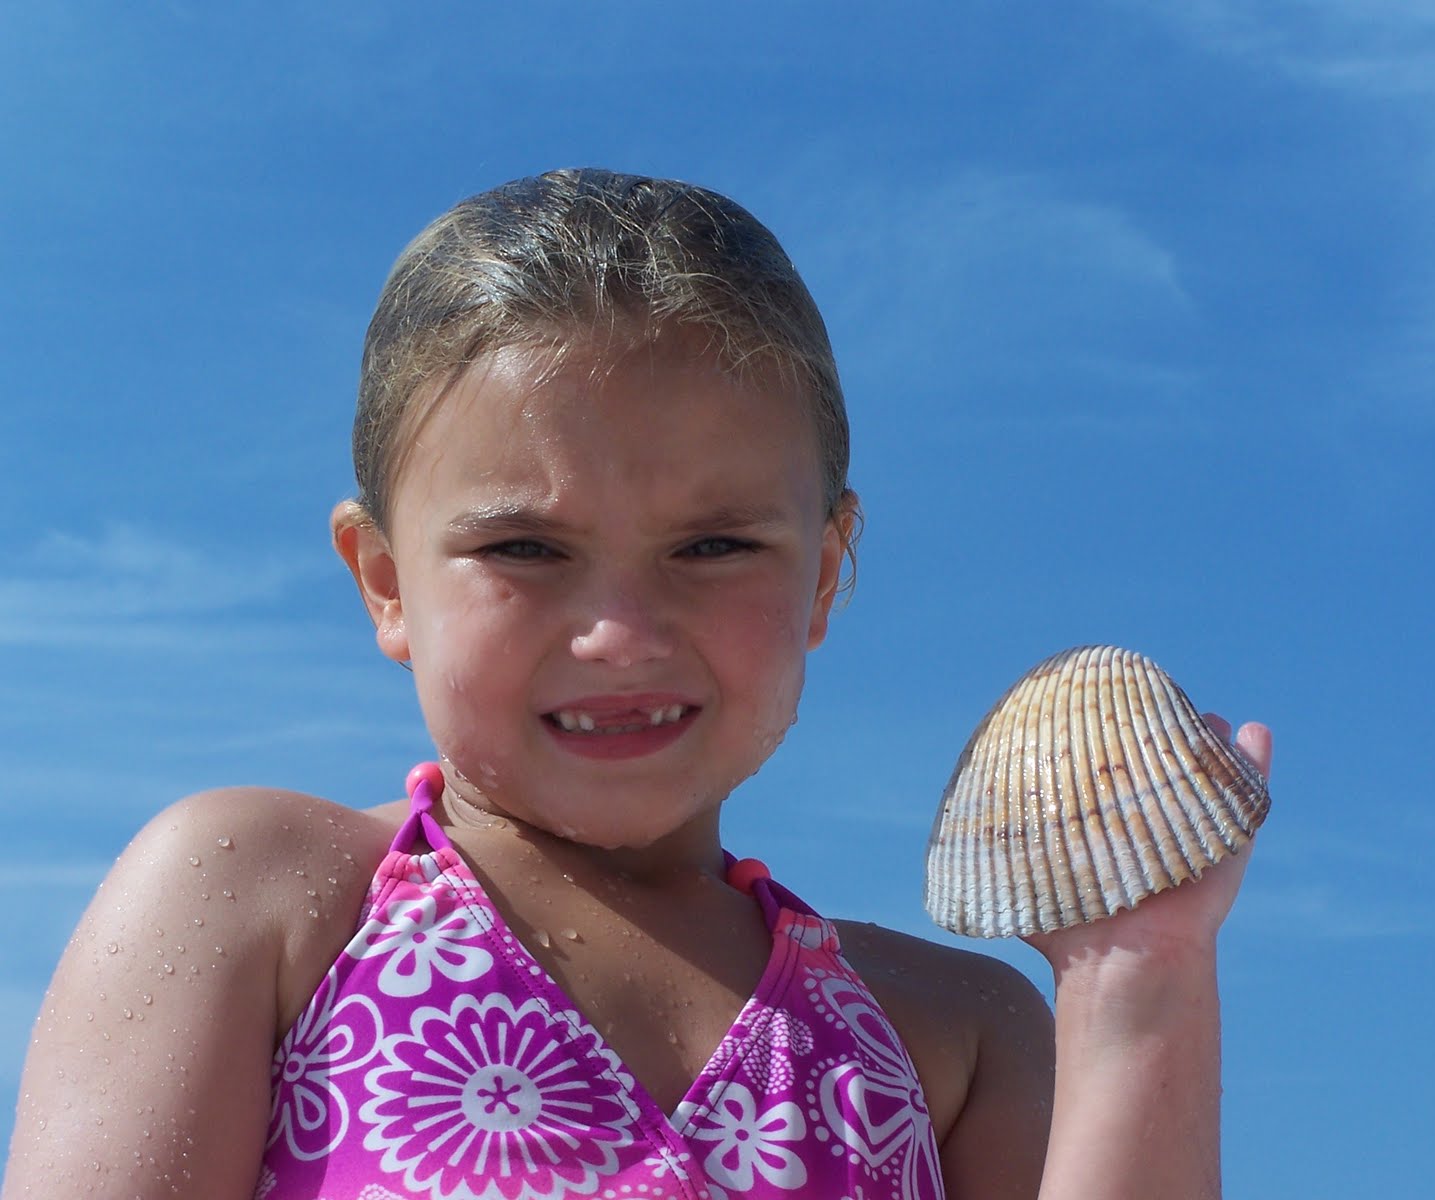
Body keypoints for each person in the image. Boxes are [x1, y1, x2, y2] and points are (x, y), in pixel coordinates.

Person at [2, 169, 1271, 1200]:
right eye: (523, 549)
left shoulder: (950, 1033)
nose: (619, 634)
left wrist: (1136, 983)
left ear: (824, 577)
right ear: (385, 582)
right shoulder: (271, 904)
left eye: (713, 547)